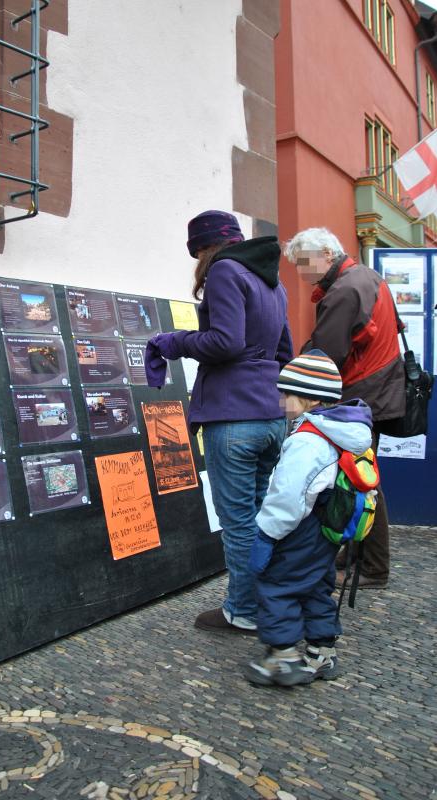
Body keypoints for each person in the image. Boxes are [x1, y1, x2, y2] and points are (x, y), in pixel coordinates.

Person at [145, 209, 293, 633]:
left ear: (206, 247)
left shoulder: (226, 271)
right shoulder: (272, 280)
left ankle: (243, 610)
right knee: (267, 516)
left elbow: (224, 342)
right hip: (270, 415)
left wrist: (174, 341)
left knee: (239, 523)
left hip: (233, 418)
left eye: (198, 251)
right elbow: (284, 350)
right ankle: (271, 603)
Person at [283, 228, 404, 590]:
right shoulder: (368, 277)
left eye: (304, 264)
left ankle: (372, 566)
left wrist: (292, 383)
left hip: (363, 394)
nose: (303, 274)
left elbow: (326, 353)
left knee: (361, 478)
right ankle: (357, 553)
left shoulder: (346, 288)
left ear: (325, 253)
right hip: (377, 391)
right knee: (360, 476)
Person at [244, 350, 373, 687]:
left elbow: (288, 497)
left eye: (287, 394)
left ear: (310, 399)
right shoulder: (344, 432)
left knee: (276, 584)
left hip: (302, 529)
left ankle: (283, 657)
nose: (281, 399)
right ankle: (322, 652)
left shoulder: (307, 441)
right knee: (316, 584)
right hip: (329, 530)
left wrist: (267, 535)